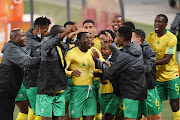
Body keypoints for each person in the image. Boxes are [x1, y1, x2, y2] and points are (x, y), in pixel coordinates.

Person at [91, 26, 147, 120]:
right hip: (132, 90)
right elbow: (122, 56)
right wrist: (112, 44)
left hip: (130, 93)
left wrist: (96, 60)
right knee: (107, 117)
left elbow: (109, 73)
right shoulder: (136, 47)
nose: (116, 39)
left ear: (122, 38)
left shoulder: (125, 56)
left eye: (117, 37)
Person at [35, 24, 77, 120]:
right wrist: (66, 31)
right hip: (47, 91)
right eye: (63, 34)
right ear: (57, 35)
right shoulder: (46, 47)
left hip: (59, 90)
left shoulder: (61, 47)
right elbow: (50, 44)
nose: (65, 36)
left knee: (59, 118)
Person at [0, 28, 40, 120]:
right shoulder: (11, 49)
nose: (25, 38)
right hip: (3, 91)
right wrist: (44, 58)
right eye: (22, 36)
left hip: (9, 90)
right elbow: (27, 61)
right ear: (13, 38)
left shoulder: (16, 47)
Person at [147, 14, 180, 120]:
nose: (156, 24)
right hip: (157, 76)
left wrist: (149, 63)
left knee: (174, 102)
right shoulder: (150, 36)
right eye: (155, 21)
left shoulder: (171, 38)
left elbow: (166, 59)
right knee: (156, 104)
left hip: (171, 75)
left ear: (165, 25)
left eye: (159, 22)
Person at [65, 32, 98, 120]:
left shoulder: (94, 51)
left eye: (90, 38)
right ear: (79, 40)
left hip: (91, 88)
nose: (89, 40)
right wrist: (71, 73)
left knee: (90, 117)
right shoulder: (71, 53)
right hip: (77, 90)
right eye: (86, 38)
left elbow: (103, 66)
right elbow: (62, 70)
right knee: (75, 117)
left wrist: (98, 64)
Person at [132, 29, 162, 120]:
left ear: (138, 39)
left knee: (155, 116)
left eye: (131, 37)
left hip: (148, 89)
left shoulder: (148, 51)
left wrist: (133, 68)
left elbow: (148, 68)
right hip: (135, 89)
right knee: (137, 116)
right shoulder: (130, 50)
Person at [25, 16, 51, 120]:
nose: (46, 34)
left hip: (45, 82)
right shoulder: (26, 42)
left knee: (43, 113)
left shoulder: (45, 38)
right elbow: (26, 63)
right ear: (38, 29)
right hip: (33, 82)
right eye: (45, 31)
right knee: (40, 114)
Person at [83, 19, 102, 120]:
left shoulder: (100, 41)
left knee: (99, 105)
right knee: (87, 106)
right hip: (87, 80)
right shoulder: (81, 42)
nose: (88, 30)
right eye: (86, 28)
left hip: (99, 79)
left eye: (90, 27)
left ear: (95, 29)